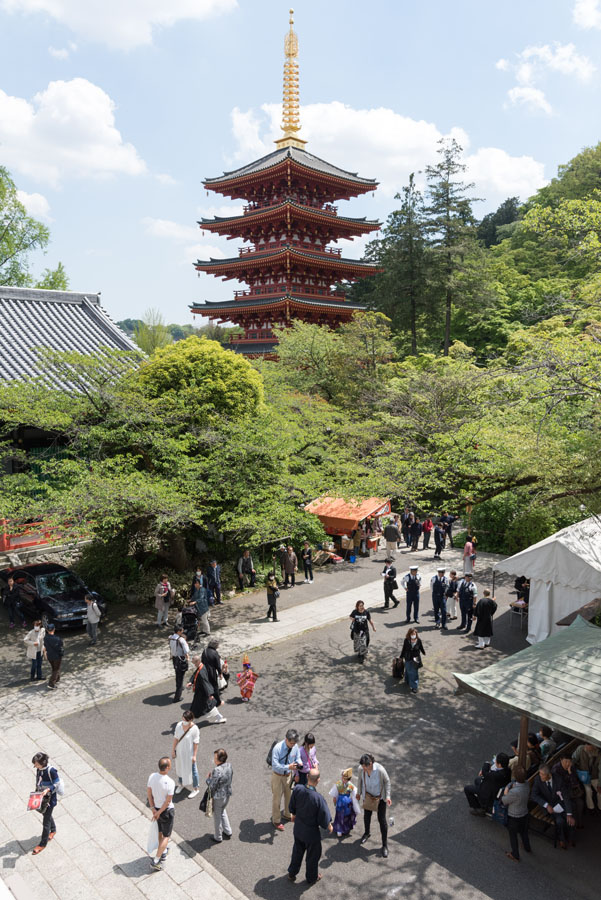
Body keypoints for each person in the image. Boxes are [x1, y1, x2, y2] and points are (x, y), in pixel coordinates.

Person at [287, 769, 332, 884]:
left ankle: (292, 873)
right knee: (312, 857)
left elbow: (292, 805)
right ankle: (311, 877)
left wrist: (293, 814)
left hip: (298, 829)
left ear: (307, 776)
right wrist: (329, 826)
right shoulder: (318, 798)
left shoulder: (298, 789)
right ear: (318, 780)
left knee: (297, 852)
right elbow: (324, 817)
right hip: (311, 834)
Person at [531, 765, 575, 848]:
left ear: (548, 775)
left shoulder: (558, 779)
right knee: (559, 821)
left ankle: (570, 837)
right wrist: (546, 805)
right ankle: (561, 839)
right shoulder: (538, 780)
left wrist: (569, 814)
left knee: (570, 816)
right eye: (539, 773)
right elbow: (533, 795)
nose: (540, 776)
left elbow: (565, 796)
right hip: (548, 805)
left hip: (559, 803)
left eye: (542, 774)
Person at [357, 753, 391, 857]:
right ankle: (367, 833)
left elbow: (387, 782)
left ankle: (384, 845)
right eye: (362, 766)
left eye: (364, 766)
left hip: (379, 798)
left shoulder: (380, 770)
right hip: (367, 797)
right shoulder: (361, 769)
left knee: (382, 820)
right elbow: (360, 781)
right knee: (367, 816)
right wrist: (359, 793)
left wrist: (388, 796)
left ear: (370, 764)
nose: (363, 768)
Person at [147, 757, 175, 871]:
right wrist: (159, 812)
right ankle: (157, 860)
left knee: (160, 831)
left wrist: (153, 809)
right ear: (167, 767)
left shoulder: (152, 777)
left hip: (157, 808)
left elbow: (149, 793)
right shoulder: (170, 782)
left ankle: (162, 850)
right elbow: (168, 801)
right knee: (166, 836)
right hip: (166, 811)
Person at [271, 728, 302, 831]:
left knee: (289, 796)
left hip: (288, 775)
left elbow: (297, 757)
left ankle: (287, 814)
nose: (293, 745)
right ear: (286, 740)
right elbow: (275, 765)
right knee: (277, 799)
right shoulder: (278, 748)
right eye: (291, 743)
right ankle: (276, 820)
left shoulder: (295, 746)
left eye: (294, 743)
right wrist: (288, 767)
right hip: (277, 776)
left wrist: (299, 762)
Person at [31, 752, 60, 854]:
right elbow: (38, 781)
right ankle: (53, 829)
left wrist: (48, 790)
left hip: (49, 799)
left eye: (37, 764)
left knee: (45, 821)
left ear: (43, 763)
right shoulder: (39, 769)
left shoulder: (51, 770)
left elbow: (57, 783)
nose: (35, 766)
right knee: (44, 813)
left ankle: (42, 844)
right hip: (41, 796)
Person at [502, 765, 531, 861]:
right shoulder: (527, 784)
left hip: (514, 816)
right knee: (524, 832)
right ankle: (527, 847)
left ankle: (515, 854)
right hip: (524, 813)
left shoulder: (514, 792)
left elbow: (504, 800)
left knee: (513, 836)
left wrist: (506, 791)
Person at [187, 656, 226, 723]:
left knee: (199, 707)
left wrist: (210, 694)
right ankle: (219, 717)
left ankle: (189, 721)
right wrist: (191, 682)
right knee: (209, 706)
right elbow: (195, 674)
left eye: (194, 663)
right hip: (202, 693)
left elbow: (205, 683)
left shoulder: (201, 672)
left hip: (203, 694)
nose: (194, 665)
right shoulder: (201, 667)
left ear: (198, 661)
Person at [552, 752, 585, 832]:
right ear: (561, 760)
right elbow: (559, 787)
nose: (567, 764)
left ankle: (579, 823)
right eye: (565, 761)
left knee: (580, 803)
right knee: (572, 805)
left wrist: (570, 773)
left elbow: (575, 783)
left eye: (569, 761)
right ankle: (571, 829)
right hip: (561, 794)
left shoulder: (571, 767)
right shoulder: (556, 770)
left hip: (571, 791)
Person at [172, 710, 200, 799]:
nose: (183, 721)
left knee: (193, 771)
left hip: (189, 754)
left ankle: (196, 788)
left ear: (191, 720)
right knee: (180, 768)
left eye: (186, 720)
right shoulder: (179, 726)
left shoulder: (194, 729)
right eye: (183, 718)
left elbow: (196, 743)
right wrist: (173, 750)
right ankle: (181, 784)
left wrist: (194, 756)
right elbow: (176, 738)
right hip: (180, 752)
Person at [207, 748, 233, 843]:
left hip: (219, 796)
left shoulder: (217, 770)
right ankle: (228, 830)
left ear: (219, 759)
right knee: (222, 811)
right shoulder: (229, 766)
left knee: (217, 816)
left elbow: (212, 785)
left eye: (215, 757)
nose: (214, 759)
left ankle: (218, 836)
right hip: (227, 793)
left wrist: (208, 779)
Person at [329, 768, 360, 837]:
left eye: (346, 779)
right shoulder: (339, 784)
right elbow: (335, 794)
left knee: (347, 816)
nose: (344, 780)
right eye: (343, 778)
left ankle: (345, 828)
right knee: (340, 815)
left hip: (347, 804)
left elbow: (355, 793)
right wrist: (335, 800)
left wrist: (357, 797)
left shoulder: (350, 785)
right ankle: (339, 829)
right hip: (341, 803)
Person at [572, 743, 600, 811]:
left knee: (600, 792)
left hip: (595, 776)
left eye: (589, 745)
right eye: (586, 744)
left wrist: (600, 785)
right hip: (584, 775)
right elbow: (573, 759)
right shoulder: (581, 749)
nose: (586, 747)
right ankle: (591, 808)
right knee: (588, 791)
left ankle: (600, 807)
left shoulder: (599, 754)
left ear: (594, 746)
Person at [400, 627, 426, 694]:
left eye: (414, 634)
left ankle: (414, 687)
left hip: (416, 658)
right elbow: (404, 649)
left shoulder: (418, 640)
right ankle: (407, 680)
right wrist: (401, 657)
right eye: (412, 634)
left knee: (414, 673)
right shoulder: (406, 640)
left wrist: (423, 652)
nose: (413, 635)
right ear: (409, 634)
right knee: (408, 670)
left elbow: (421, 647)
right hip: (408, 657)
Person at [169, 625, 189, 704]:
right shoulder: (181, 640)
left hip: (174, 658)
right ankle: (177, 697)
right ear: (178, 631)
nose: (182, 632)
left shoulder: (171, 637)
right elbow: (186, 650)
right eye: (181, 631)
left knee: (177, 673)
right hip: (181, 659)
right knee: (180, 676)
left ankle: (180, 686)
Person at [201, 639, 224, 705]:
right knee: (215, 687)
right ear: (215, 646)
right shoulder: (215, 653)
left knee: (207, 686)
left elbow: (202, 661)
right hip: (212, 672)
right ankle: (218, 702)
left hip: (204, 671)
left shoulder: (204, 651)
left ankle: (208, 699)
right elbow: (218, 665)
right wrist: (220, 673)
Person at [43, 623, 63, 690]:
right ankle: (51, 683)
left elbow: (45, 646)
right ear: (54, 629)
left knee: (54, 668)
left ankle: (57, 678)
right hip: (57, 656)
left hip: (50, 656)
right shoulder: (57, 639)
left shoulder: (45, 638)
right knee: (56, 669)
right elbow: (60, 646)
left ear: (47, 630)